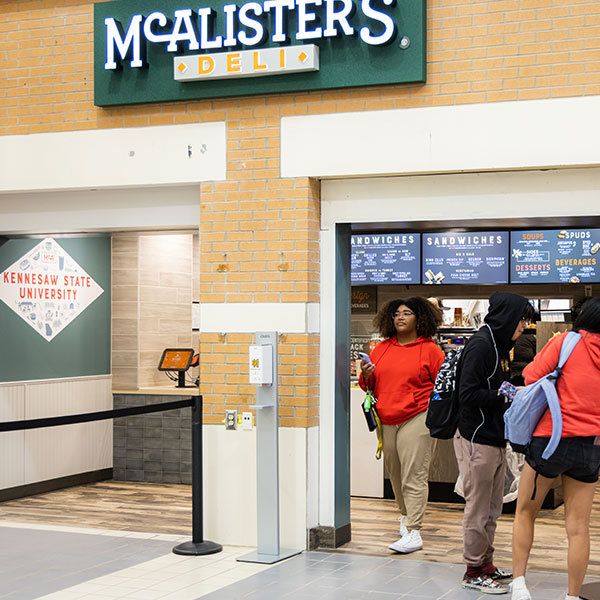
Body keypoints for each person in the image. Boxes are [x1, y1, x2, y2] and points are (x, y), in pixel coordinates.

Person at [511, 297, 600, 600]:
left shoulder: (566, 342)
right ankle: (572, 596)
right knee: (578, 527)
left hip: (550, 442)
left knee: (525, 512)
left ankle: (520, 584)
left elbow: (530, 375)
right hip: (590, 448)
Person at [455, 292, 535, 594]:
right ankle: (472, 570)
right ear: (507, 316)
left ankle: (485, 564)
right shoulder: (480, 345)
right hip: (477, 438)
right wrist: (505, 393)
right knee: (478, 509)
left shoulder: (498, 344)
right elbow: (468, 394)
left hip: (494, 438)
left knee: (492, 508)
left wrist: (511, 388)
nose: (523, 325)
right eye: (521, 319)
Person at [359, 297, 444, 554]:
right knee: (395, 474)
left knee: (414, 473)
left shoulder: (430, 349)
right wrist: (365, 374)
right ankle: (406, 519)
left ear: (420, 318)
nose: (400, 317)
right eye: (396, 314)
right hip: (387, 418)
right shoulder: (381, 348)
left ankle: (414, 531)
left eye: (407, 313)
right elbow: (370, 386)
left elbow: (442, 386)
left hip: (418, 416)